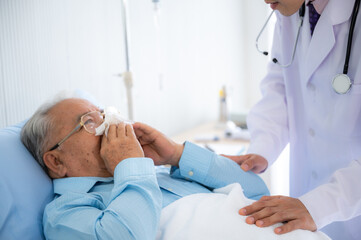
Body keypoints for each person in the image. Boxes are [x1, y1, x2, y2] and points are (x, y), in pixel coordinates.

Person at [20, 95, 269, 240]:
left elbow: (257, 190)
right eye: (88, 122)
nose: (109, 124)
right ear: (56, 161)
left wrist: (176, 154)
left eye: (103, 114)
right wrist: (130, 166)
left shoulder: (157, 171)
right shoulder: (65, 213)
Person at [227, 0, 361, 239]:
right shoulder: (291, 10)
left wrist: (318, 206)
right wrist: (262, 148)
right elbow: (280, 88)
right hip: (304, 198)